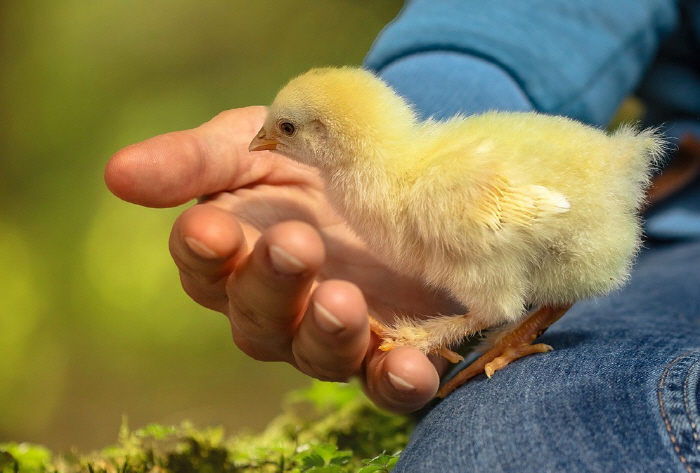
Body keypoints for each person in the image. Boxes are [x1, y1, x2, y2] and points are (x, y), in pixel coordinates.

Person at [105, 0, 700, 470]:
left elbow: (537, 211)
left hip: (585, 215)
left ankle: (483, 337)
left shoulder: (431, 183)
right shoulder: (395, 176)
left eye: (284, 129)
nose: (267, 140)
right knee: (511, 439)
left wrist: (423, 334)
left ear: (332, 137)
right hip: (673, 237)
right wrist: (452, 85)